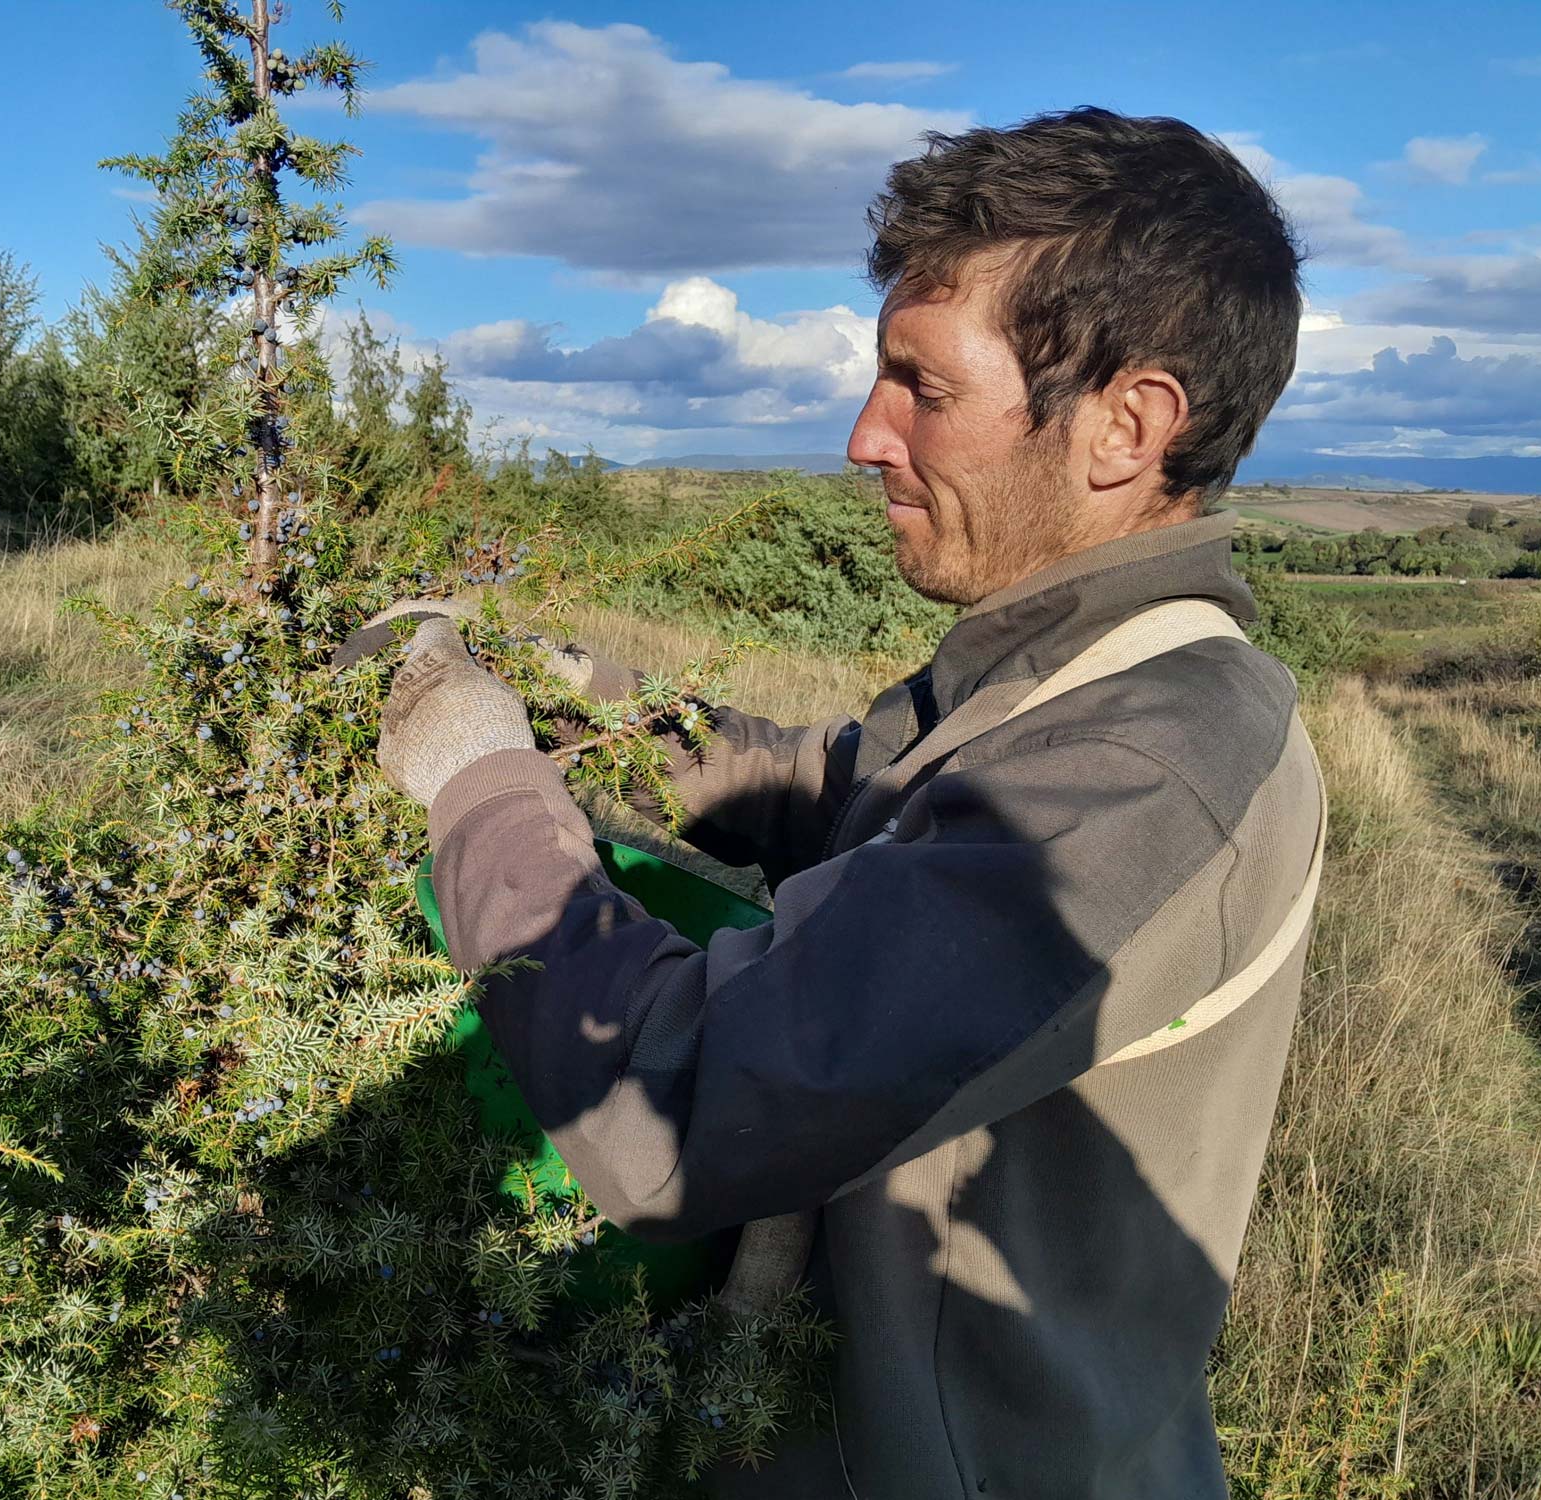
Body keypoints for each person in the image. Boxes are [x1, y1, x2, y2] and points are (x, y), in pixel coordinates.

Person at [363, 108, 1322, 1498]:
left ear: (1127, 424)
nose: (866, 435)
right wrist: (590, 709)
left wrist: (480, 784)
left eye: (920, 384)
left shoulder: (1151, 759)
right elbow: (846, 796)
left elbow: (678, 1109)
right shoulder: (1057, 667)